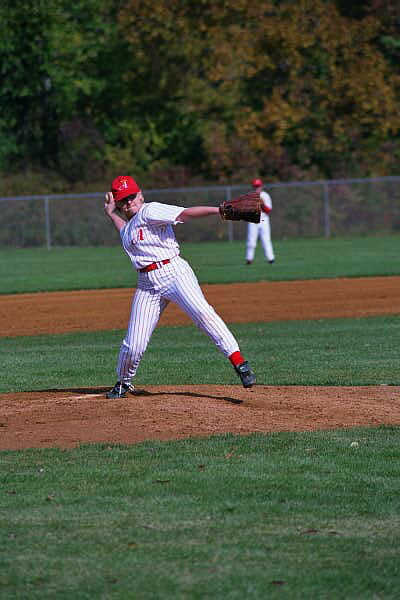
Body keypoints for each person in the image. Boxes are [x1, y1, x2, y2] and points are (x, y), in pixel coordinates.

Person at [103, 175, 256, 398]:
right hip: (146, 284)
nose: (129, 202)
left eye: (132, 197)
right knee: (134, 343)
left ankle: (239, 362)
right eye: (123, 200)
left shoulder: (150, 211)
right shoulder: (129, 227)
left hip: (174, 272)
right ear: (118, 203)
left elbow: (185, 213)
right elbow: (124, 229)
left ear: (141, 194)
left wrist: (218, 210)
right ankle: (123, 383)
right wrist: (110, 213)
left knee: (203, 314)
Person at [245, 178, 275, 265]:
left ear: (261, 186)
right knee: (251, 242)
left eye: (258, 186)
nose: (257, 188)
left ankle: (271, 259)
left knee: (266, 241)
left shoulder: (265, 196)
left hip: (264, 220)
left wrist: (262, 204)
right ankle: (249, 260)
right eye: (255, 186)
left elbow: (268, 210)